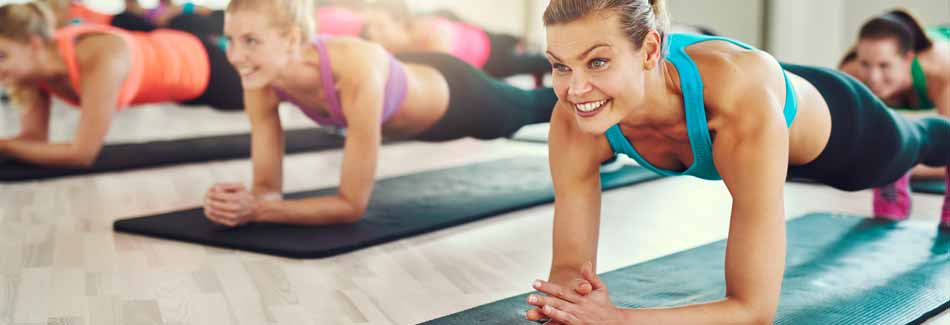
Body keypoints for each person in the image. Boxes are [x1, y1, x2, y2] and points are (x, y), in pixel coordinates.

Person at [524, 0, 950, 323]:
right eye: (561, 66)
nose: (576, 89)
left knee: (918, 141)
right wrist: (566, 305)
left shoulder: (736, 105)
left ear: (650, 50)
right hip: (755, 114)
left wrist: (622, 319)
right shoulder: (574, 121)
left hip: (838, 131)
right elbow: (567, 273)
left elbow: (753, 308)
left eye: (598, 61)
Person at [200, 0, 557, 227]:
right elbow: (266, 191)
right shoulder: (260, 80)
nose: (234, 56)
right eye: (229, 40)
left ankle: (599, 109)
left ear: (292, 40)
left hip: (455, 97)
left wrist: (258, 211)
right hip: (406, 75)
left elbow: (351, 205)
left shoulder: (354, 70)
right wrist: (239, 202)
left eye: (250, 41)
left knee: (534, 107)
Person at [0, 2, 243, 167]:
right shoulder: (32, 74)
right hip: (179, 81)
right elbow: (32, 140)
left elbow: (82, 154)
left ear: (33, 45)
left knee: (276, 94)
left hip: (204, 66)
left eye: (2, 56)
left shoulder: (98, 56)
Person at [838, 10, 949, 220]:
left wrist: (897, 159)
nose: (873, 77)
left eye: (884, 66)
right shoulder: (851, 74)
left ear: (908, 59)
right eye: (865, 64)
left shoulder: (941, 72)